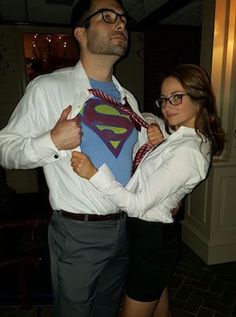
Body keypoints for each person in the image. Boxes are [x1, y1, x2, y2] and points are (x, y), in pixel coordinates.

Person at [0, 0, 163, 316]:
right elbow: (5, 148)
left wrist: (153, 133)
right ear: (81, 33)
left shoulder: (127, 98)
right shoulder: (47, 88)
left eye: (123, 19)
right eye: (107, 17)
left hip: (123, 227)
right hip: (78, 233)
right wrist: (51, 140)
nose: (121, 24)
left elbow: (131, 158)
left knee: (105, 308)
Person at [71, 64, 225, 317]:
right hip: (150, 236)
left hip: (152, 242)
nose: (167, 106)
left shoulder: (187, 151)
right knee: (160, 309)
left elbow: (137, 204)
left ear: (200, 98)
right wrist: (159, 133)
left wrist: (94, 174)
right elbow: (147, 117)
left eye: (177, 97)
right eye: (164, 99)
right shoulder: (181, 138)